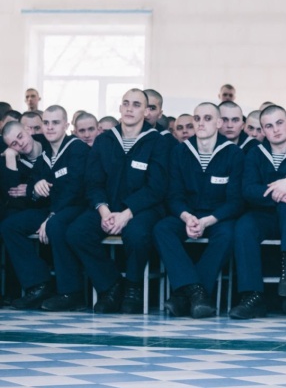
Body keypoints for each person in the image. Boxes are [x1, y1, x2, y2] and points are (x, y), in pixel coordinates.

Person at [66, 89, 167, 314]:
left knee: (137, 234)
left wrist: (127, 213)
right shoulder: (104, 140)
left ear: (146, 111)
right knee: (77, 233)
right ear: (120, 108)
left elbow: (156, 187)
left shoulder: (157, 142)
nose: (130, 108)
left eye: (137, 104)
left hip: (142, 208)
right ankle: (111, 286)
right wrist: (103, 211)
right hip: (107, 207)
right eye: (126, 103)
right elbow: (93, 182)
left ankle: (133, 288)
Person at [153, 103, 244, 318]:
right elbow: (173, 195)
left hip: (218, 217)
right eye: (197, 118)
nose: (201, 123)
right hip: (188, 214)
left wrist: (208, 221)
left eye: (207, 118)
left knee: (229, 234)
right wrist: (187, 217)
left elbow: (236, 201)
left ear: (219, 123)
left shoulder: (234, 153)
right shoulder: (180, 151)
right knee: (162, 229)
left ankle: (183, 295)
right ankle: (197, 292)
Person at [231, 105, 286, 319]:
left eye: (280, 123)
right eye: (269, 126)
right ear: (263, 130)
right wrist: (276, 193)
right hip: (266, 214)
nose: (276, 129)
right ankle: (252, 296)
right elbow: (248, 189)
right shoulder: (255, 154)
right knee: (244, 226)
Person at [2, 107, 89, 311]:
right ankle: (39, 284)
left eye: (55, 123)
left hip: (76, 207)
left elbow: (75, 189)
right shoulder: (47, 152)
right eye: (47, 123)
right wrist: (35, 188)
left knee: (55, 225)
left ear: (66, 125)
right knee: (9, 226)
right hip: (51, 207)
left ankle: (71, 293)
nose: (50, 127)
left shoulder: (77, 148)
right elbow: (31, 186)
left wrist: (51, 215)